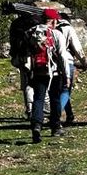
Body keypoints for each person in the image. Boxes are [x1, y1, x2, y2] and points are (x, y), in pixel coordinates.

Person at [18, 14, 70, 143]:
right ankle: (56, 127)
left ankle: (36, 125)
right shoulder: (56, 34)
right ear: (53, 21)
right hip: (54, 71)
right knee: (55, 98)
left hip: (37, 71)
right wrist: (67, 75)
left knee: (38, 98)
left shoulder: (31, 33)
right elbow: (62, 55)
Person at [47, 9, 87, 126]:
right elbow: (76, 47)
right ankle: (56, 117)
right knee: (65, 90)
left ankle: (69, 115)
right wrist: (84, 61)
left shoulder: (48, 28)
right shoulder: (68, 28)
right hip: (67, 61)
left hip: (51, 63)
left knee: (57, 90)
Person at [8, 10, 39, 119]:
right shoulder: (36, 22)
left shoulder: (16, 23)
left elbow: (12, 41)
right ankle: (37, 108)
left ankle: (30, 108)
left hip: (21, 56)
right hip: (35, 56)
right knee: (36, 82)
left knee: (26, 83)